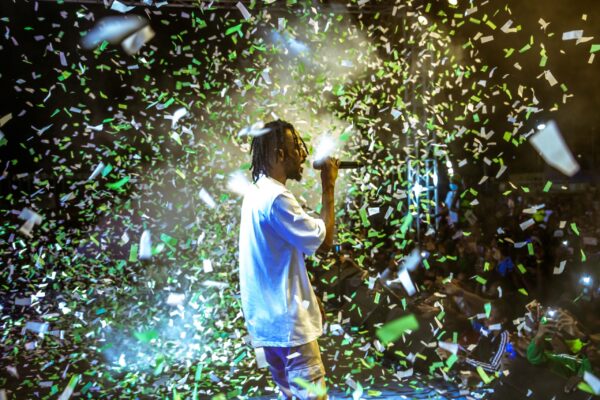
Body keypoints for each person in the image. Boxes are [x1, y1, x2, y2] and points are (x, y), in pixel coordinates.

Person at [238, 119, 339, 399]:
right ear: (280, 154)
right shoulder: (277, 198)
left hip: (269, 326)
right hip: (290, 330)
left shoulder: (256, 192)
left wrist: (308, 297)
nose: (303, 155)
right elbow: (325, 242)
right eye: (297, 147)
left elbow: (279, 261)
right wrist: (328, 185)